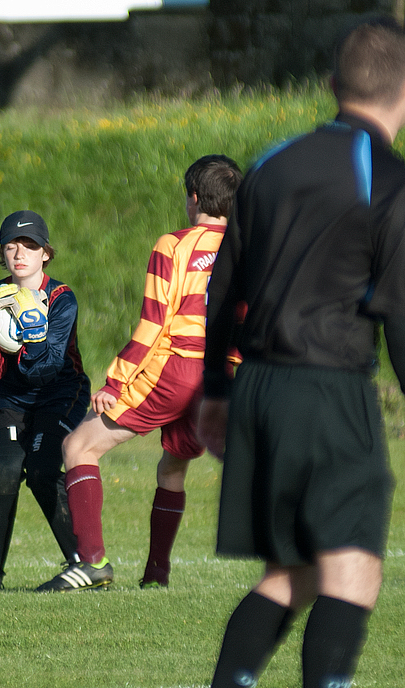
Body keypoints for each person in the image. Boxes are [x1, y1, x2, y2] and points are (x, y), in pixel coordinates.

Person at [197, 18, 405, 688]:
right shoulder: (388, 178)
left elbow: (224, 290)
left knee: (298, 571)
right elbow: (398, 309)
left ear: (330, 86)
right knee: (353, 570)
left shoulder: (272, 163)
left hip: (258, 385)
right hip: (326, 387)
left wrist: (217, 392)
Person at [36, 155, 243, 593]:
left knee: (78, 446)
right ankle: (156, 575)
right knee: (173, 467)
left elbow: (154, 324)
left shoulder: (175, 245)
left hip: (173, 368)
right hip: (219, 376)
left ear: (193, 198)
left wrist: (115, 380)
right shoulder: (248, 248)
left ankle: (92, 563)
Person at [0, 210, 90, 592]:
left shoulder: (61, 298)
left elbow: (48, 369)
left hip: (60, 393)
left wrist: (34, 338)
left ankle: (83, 563)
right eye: (11, 246)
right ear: (2, 254)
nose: (20, 253)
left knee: (41, 469)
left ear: (45, 254)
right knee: (3, 473)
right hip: (10, 398)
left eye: (31, 246)